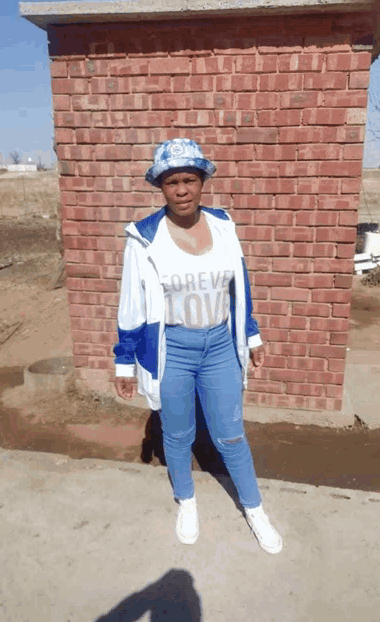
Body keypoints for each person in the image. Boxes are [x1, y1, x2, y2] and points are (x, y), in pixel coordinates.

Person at [114, 138, 282, 554]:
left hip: (220, 346)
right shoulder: (144, 238)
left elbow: (239, 288)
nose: (182, 190)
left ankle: (254, 508)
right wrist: (124, 363)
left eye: (189, 179)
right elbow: (131, 305)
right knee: (178, 433)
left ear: (203, 181)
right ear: (161, 187)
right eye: (172, 182)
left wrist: (252, 334)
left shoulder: (224, 226)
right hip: (174, 350)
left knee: (230, 435)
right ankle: (186, 501)